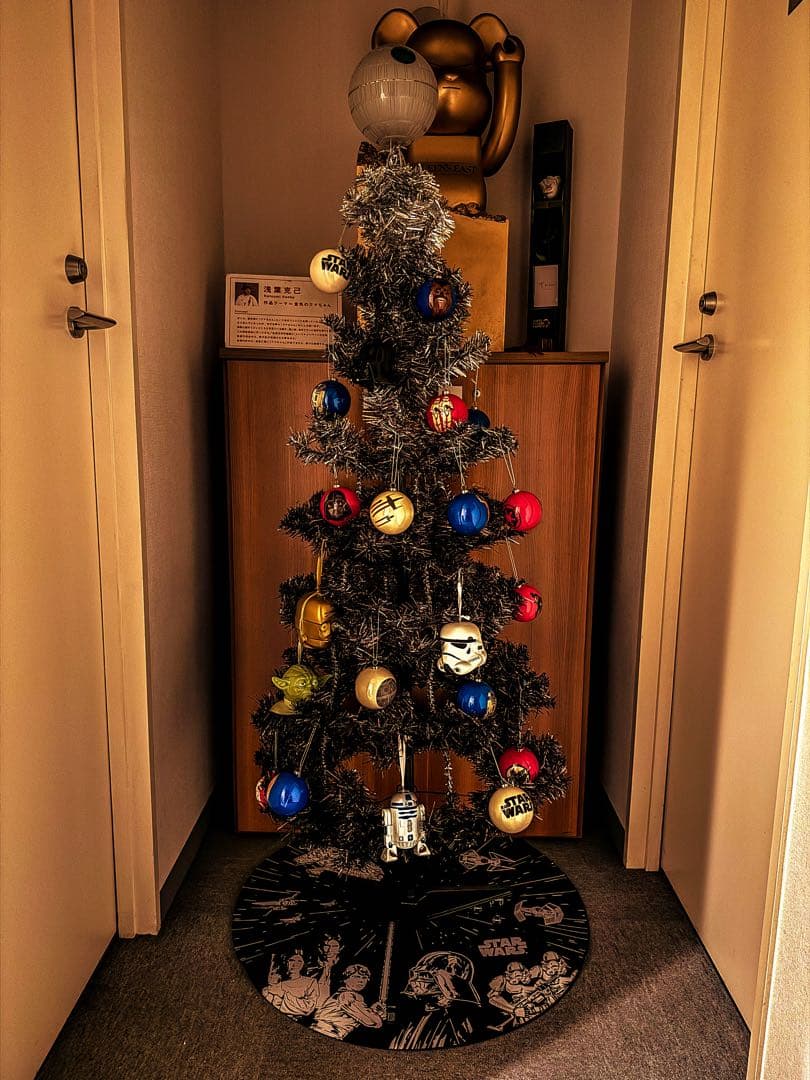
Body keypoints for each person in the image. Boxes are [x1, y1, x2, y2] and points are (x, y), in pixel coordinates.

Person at [310, 964, 385, 1039]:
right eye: (356, 977)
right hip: (325, 1033)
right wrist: (375, 1014)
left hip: (330, 1035)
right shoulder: (346, 996)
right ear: (345, 979)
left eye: (364, 978)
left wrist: (373, 1011)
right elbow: (371, 1021)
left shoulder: (348, 996)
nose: (361, 981)